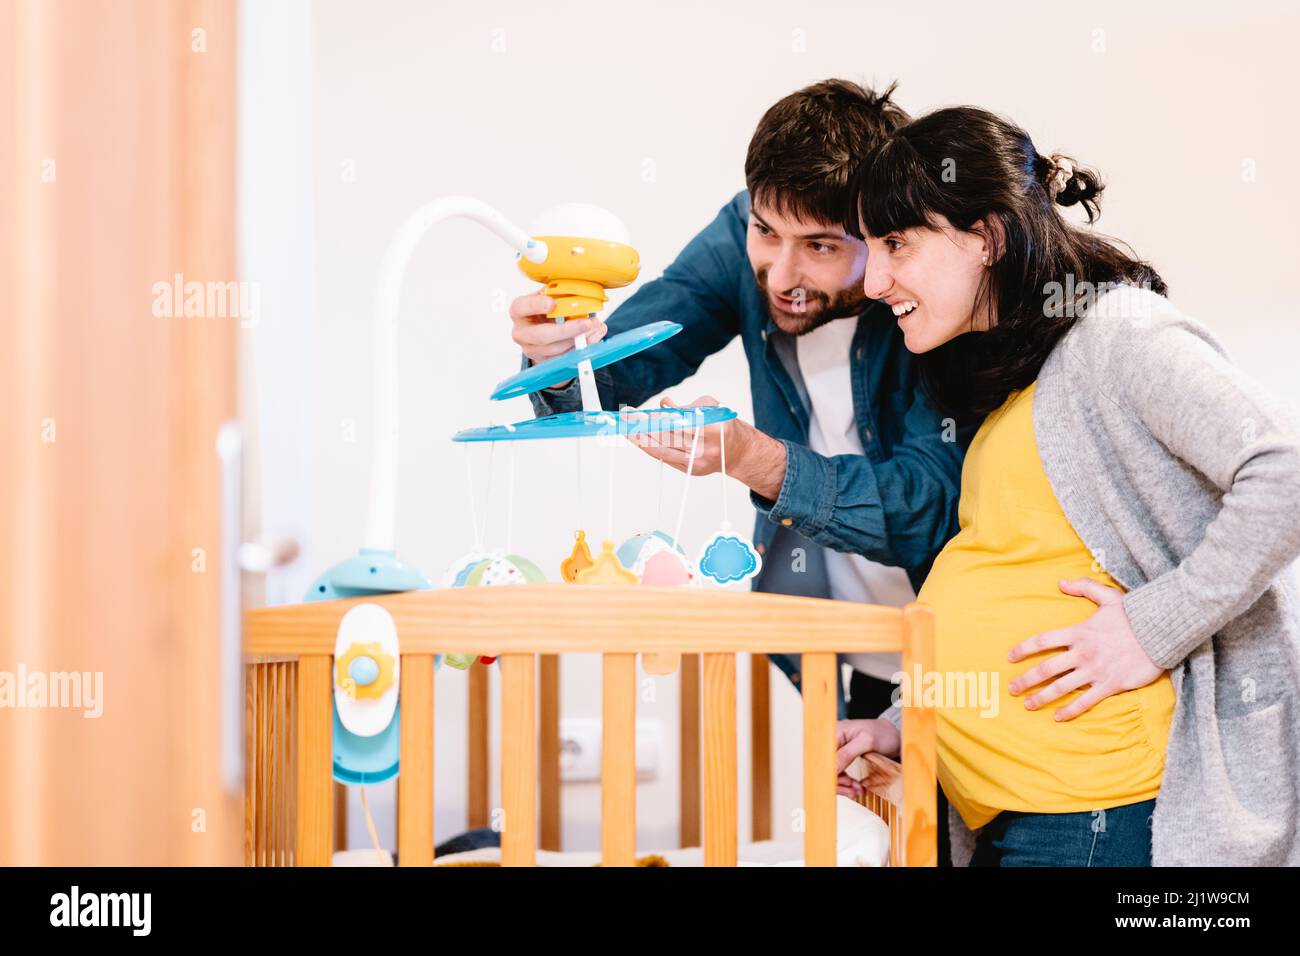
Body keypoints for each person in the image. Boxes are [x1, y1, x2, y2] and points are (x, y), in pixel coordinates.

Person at [833, 106, 1300, 866]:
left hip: (1094, 812)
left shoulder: (1116, 335)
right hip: (1024, 812)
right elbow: (1013, 570)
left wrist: (1151, 628)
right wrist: (901, 718)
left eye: (895, 245)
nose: (874, 280)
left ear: (983, 236)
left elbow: (1286, 468)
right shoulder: (1015, 384)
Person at [510, 79, 973, 730]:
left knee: (937, 829)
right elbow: (606, 378)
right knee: (846, 827)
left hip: (957, 649)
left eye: (819, 246)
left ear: (882, 233)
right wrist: (553, 355)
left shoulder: (933, 287)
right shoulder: (740, 234)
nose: (780, 277)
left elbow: (932, 509)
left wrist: (759, 461)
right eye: (765, 230)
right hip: (830, 648)